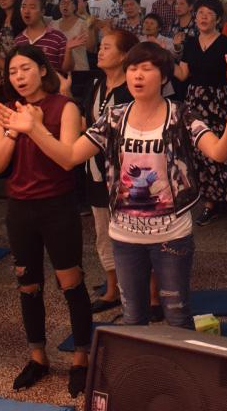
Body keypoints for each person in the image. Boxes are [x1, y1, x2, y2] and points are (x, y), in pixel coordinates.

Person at [0, 43, 227, 330]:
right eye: (133, 69)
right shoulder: (114, 117)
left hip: (171, 235)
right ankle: (140, 374)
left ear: (163, 77)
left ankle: (181, 374)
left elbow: (219, 153)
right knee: (133, 318)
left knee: (177, 317)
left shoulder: (180, 114)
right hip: (124, 236)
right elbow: (70, 157)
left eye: (147, 69)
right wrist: (34, 129)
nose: (137, 76)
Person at [0, 45, 93, 395]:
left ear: (43, 70)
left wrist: (32, 127)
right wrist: (14, 130)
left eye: (25, 69)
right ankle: (38, 357)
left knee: (71, 283)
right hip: (20, 208)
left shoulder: (65, 107)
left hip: (56, 206)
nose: (18, 76)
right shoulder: (9, 112)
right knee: (27, 286)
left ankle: (81, 357)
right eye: (12, 71)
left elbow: (67, 160)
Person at [174, 0, 227, 230]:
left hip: (220, 101)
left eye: (209, 13)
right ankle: (210, 204)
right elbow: (182, 75)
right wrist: (169, 53)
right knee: (201, 156)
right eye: (199, 13)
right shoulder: (189, 43)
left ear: (218, 18)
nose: (203, 17)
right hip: (196, 102)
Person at [79, 30, 141, 314]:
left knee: (133, 228)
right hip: (95, 168)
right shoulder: (96, 83)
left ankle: (142, 288)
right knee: (103, 229)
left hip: (128, 170)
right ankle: (112, 286)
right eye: (100, 47)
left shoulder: (133, 88)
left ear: (125, 55)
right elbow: (85, 121)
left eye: (106, 47)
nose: (100, 52)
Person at [55, 0, 91, 71]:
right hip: (60, 70)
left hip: (79, 69)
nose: (65, 5)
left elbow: (90, 47)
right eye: (62, 3)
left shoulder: (82, 23)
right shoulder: (53, 25)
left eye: (68, 3)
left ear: (74, 6)